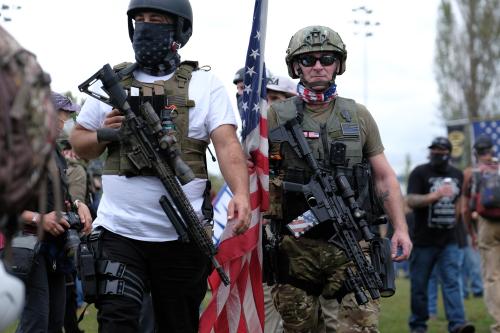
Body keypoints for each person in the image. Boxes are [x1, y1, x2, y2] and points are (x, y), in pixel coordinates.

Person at [69, 0, 251, 332]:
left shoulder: (204, 84)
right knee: (116, 322)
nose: (145, 26)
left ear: (179, 31)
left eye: (156, 20)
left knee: (177, 324)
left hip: (181, 236)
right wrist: (109, 132)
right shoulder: (115, 82)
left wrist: (241, 192)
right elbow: (80, 144)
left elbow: (227, 145)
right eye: (139, 20)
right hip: (117, 233)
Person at [267, 26, 412, 333]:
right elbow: (252, 169)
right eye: (308, 60)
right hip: (295, 248)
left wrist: (400, 228)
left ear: (338, 64)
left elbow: (384, 178)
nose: (318, 65)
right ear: (295, 67)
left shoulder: (358, 115)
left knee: (362, 327)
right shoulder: (274, 115)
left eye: (326, 58)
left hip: (351, 246)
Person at [15, 92, 92, 333]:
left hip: (55, 250)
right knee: (36, 322)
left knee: (54, 321)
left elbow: (61, 198)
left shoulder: (55, 152)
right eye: (62, 116)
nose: (65, 122)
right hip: (25, 244)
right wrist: (38, 218)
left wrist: (78, 206)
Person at [406, 136, 474, 333]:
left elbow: (459, 199)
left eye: (442, 152)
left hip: (449, 240)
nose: (437, 154)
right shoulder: (420, 172)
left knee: (452, 283)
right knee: (419, 286)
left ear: (449, 154)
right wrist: (434, 196)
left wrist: (459, 215)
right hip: (423, 241)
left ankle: (458, 324)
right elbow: (410, 200)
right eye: (434, 151)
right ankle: (418, 326)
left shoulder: (457, 174)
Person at [462, 134, 500, 333]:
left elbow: (466, 209)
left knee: (492, 277)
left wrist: (472, 232)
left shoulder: (472, 172)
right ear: (492, 150)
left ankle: (499, 325)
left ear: (476, 152)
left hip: (487, 225)